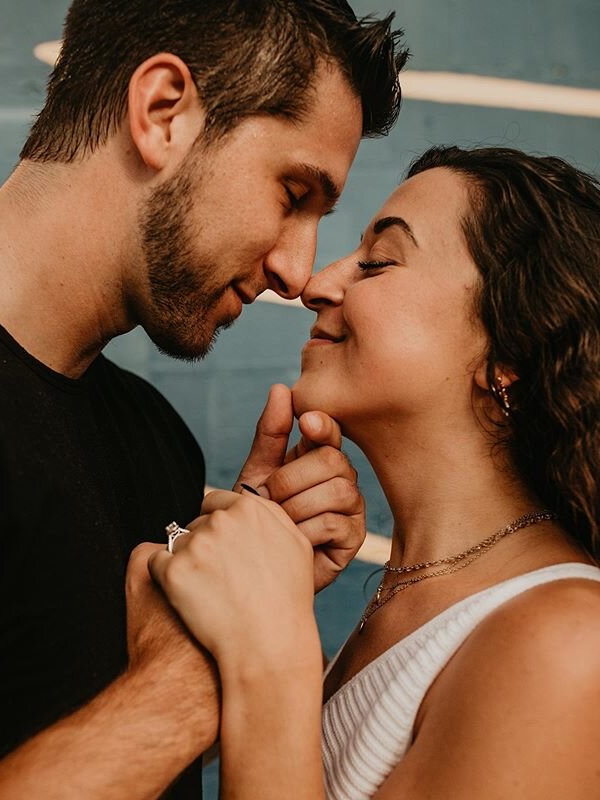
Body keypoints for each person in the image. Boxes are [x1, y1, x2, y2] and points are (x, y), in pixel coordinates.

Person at [0, 2, 409, 798]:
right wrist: (194, 679)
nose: (298, 271)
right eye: (293, 191)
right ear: (163, 111)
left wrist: (245, 582)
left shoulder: (156, 440)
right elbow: (155, 712)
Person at [150, 145, 600, 799]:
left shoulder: (570, 645)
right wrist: (243, 587)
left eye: (378, 263)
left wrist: (270, 650)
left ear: (511, 354)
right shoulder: (410, 602)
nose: (317, 285)